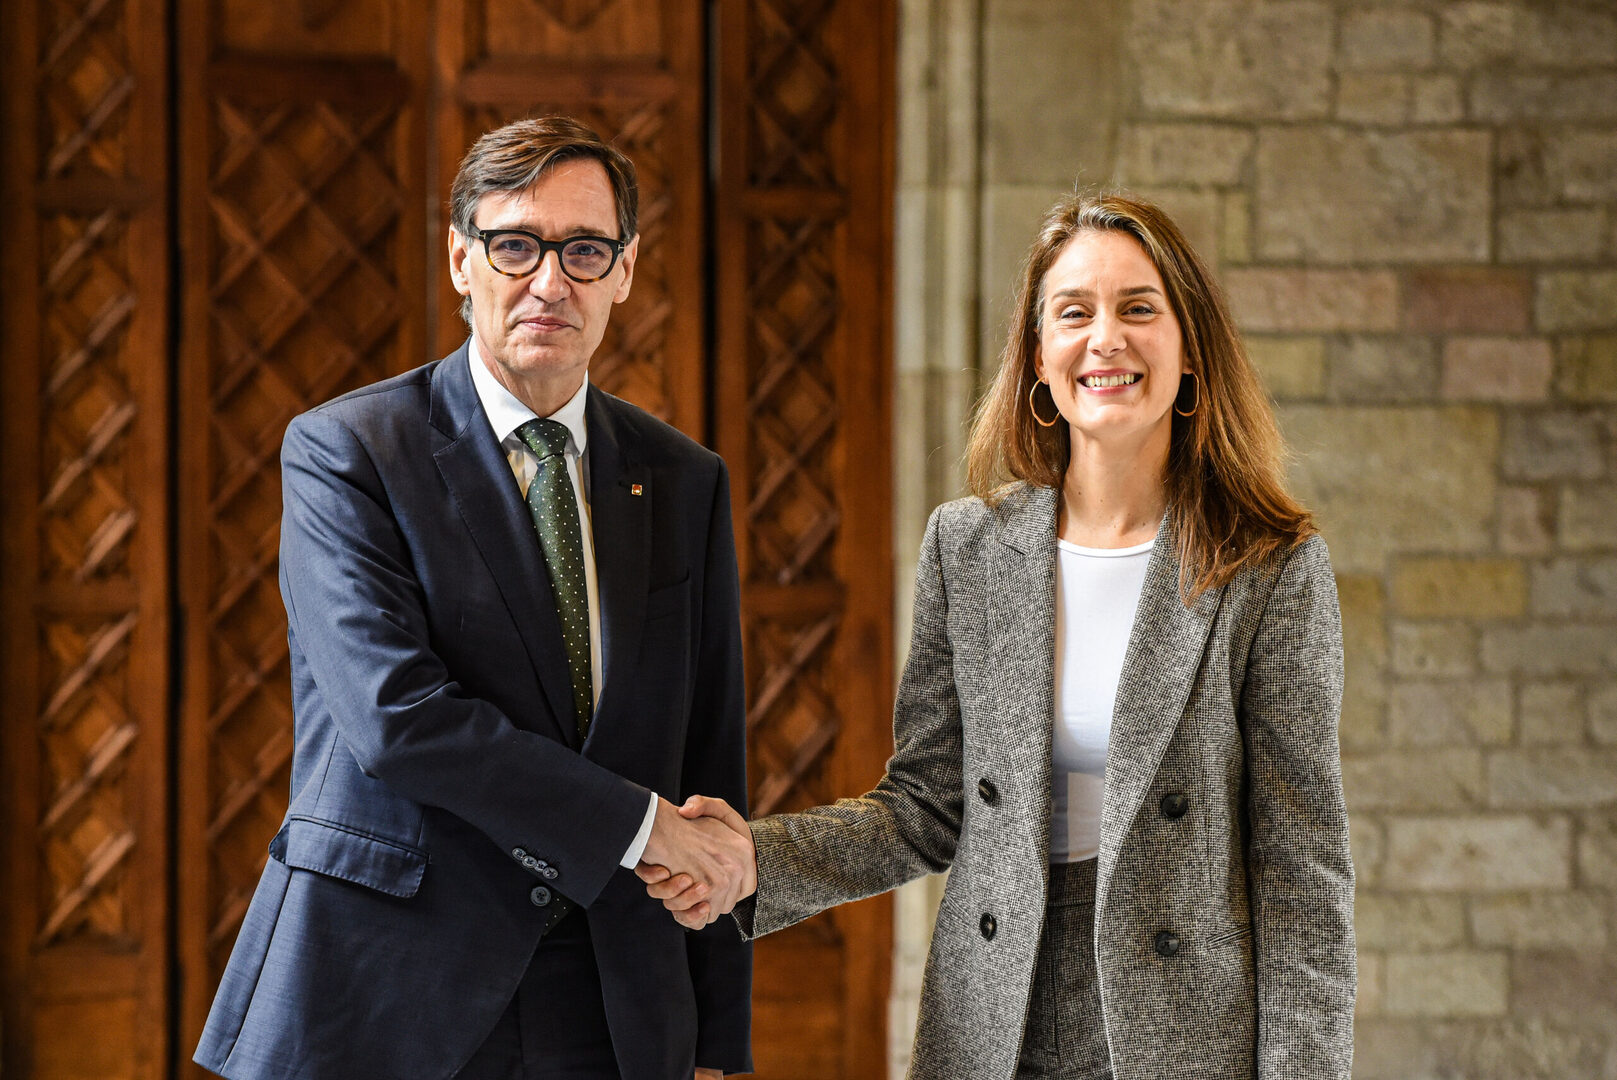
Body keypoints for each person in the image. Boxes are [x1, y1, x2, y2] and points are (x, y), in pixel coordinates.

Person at [642, 192, 1355, 1079]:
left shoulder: (1269, 566)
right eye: (1073, 314)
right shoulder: (968, 545)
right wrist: (757, 858)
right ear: (1038, 358)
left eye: (1138, 308)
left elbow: (1299, 868)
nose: (1105, 339)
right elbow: (925, 805)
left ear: (1190, 350)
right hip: (992, 1014)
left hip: (1183, 1030)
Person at [195, 116, 754, 1080]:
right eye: (515, 246)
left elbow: (709, 755)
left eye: (584, 251)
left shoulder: (682, 477)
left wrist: (716, 1040)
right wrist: (641, 828)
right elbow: (398, 720)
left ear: (624, 270)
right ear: (461, 260)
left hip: (613, 1000)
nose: (551, 282)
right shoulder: (348, 452)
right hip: (388, 988)